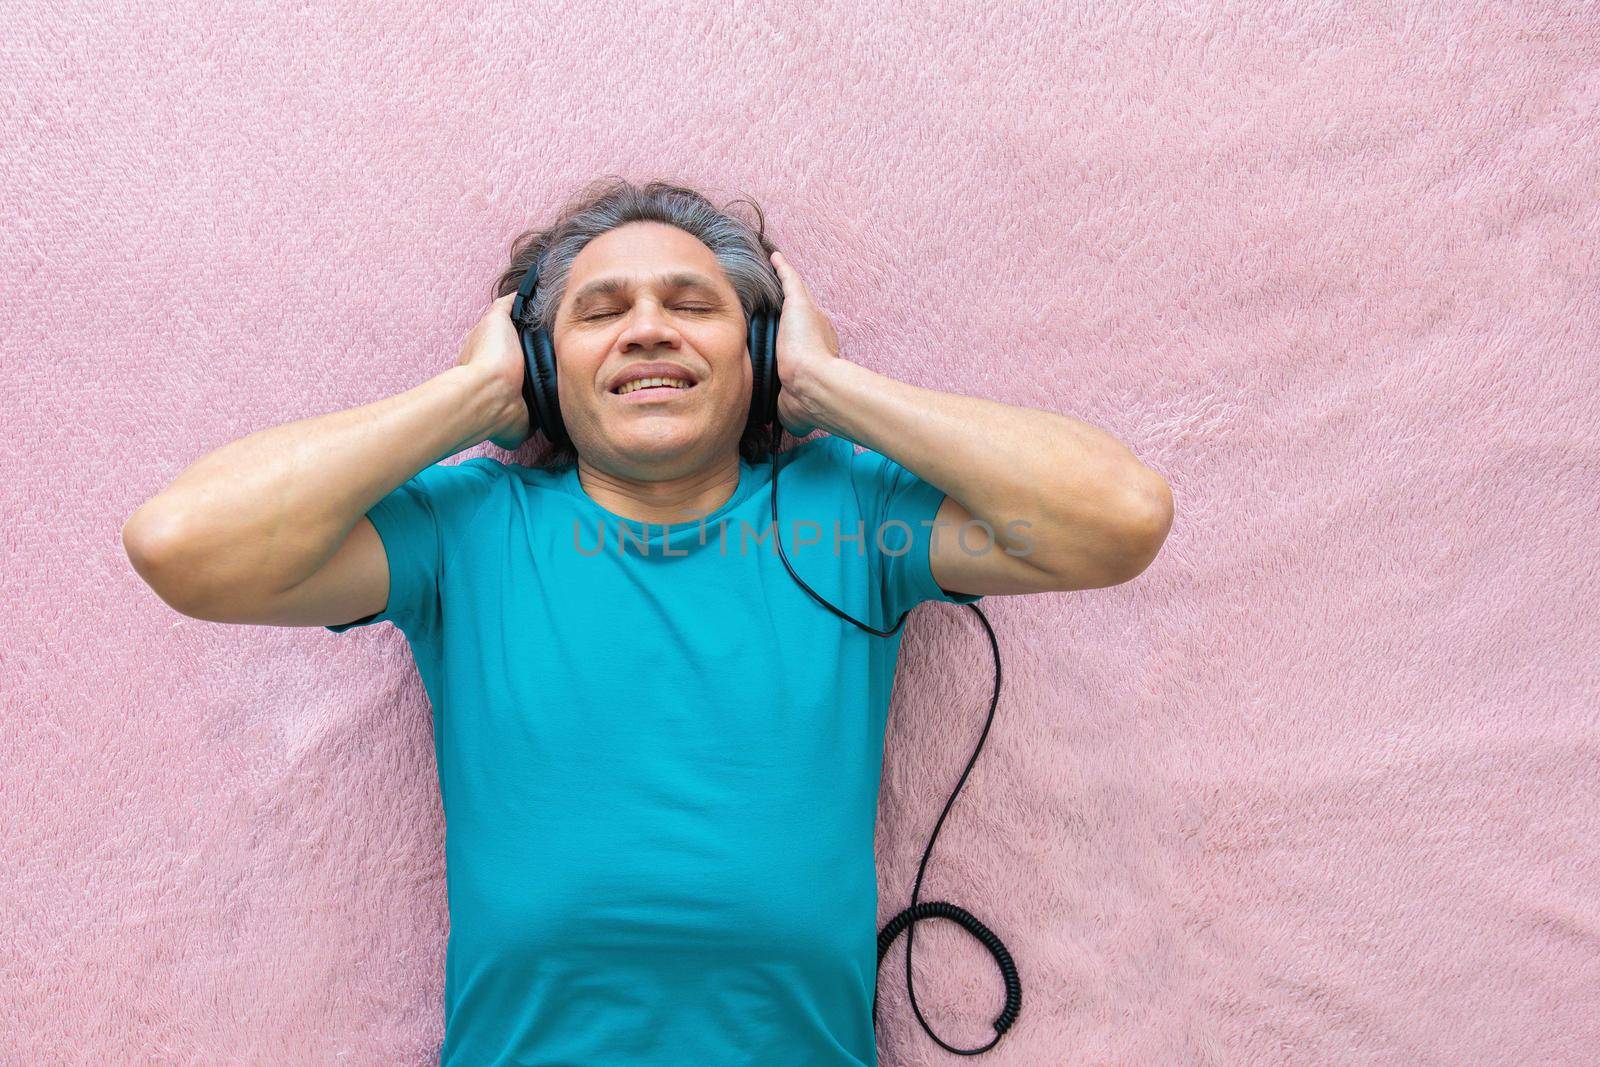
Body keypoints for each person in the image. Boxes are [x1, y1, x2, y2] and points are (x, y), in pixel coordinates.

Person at [121, 177, 1173, 1066]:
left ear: (755, 349)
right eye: (598, 311)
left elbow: (1116, 520)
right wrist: (469, 396)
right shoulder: (463, 527)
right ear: (543, 369)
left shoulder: (855, 514)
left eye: (692, 302)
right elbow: (184, 543)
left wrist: (824, 385)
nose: (649, 327)